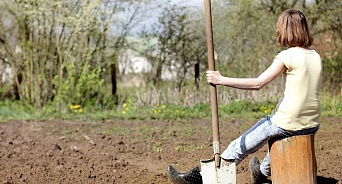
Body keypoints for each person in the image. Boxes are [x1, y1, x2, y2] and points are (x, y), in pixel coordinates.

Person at [166, 9, 322, 184]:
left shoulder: (287, 56)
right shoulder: (315, 56)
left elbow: (258, 84)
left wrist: (221, 79)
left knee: (239, 146)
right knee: (277, 145)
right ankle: (261, 173)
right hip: (312, 122)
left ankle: (203, 178)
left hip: (287, 120)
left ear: (286, 30)